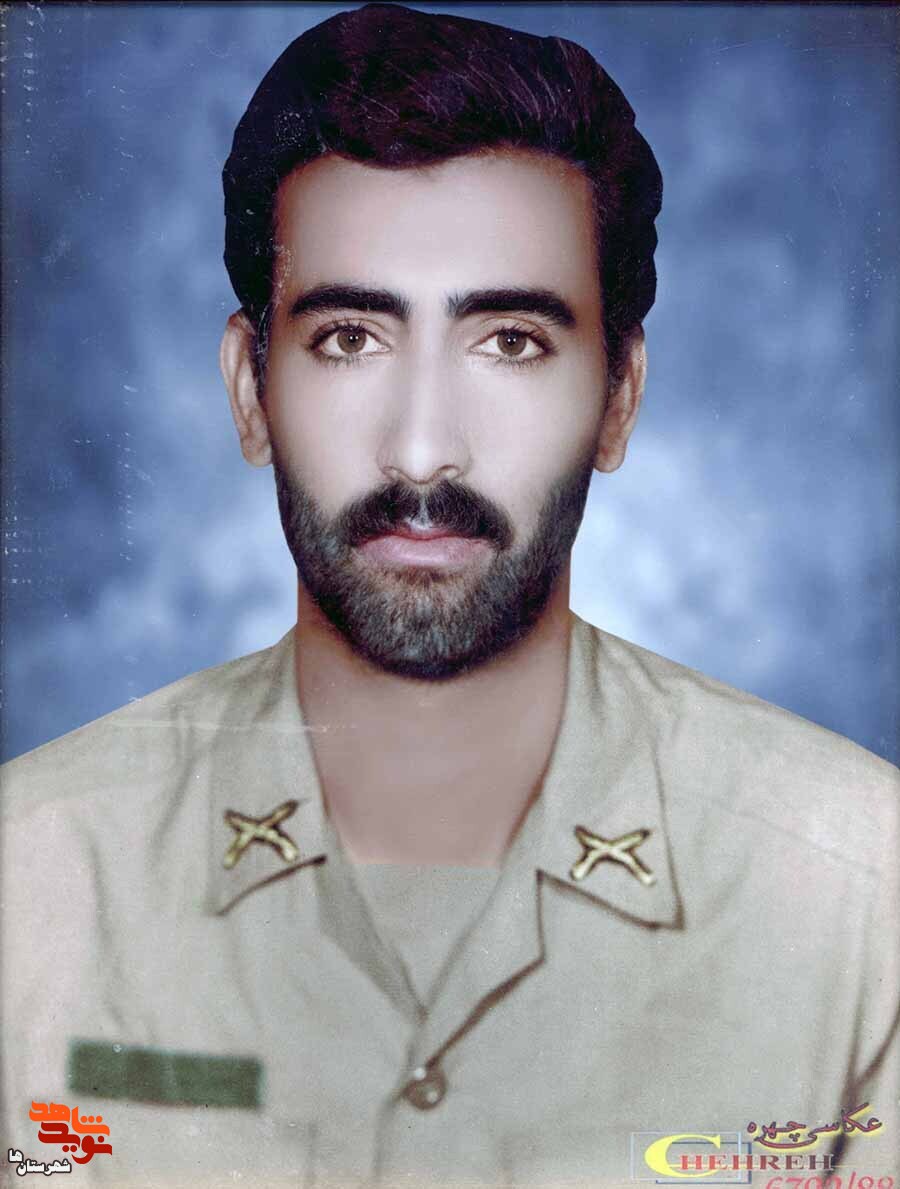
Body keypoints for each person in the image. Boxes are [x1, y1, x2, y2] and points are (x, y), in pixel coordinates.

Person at [2, 5, 896, 1186]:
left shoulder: (862, 896)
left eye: (511, 341)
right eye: (349, 339)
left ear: (620, 398)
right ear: (250, 391)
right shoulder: (30, 884)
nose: (422, 451)